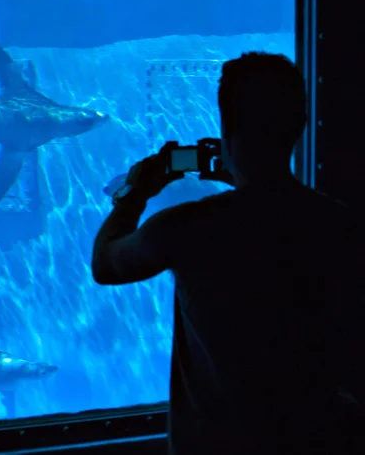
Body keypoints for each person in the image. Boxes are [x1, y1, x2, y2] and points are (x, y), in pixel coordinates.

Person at [91, 52, 364, 455]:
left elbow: (106, 265)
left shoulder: (187, 227)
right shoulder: (342, 225)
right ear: (300, 127)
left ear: (225, 133)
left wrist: (134, 195)